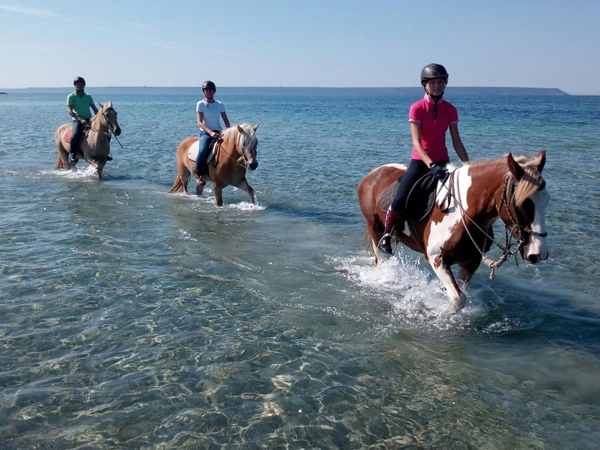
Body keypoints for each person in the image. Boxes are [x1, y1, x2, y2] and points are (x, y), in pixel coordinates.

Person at [378, 63, 470, 254]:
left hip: (444, 162)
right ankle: (387, 234)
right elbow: (416, 142)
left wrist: (469, 166)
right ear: (425, 85)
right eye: (433, 82)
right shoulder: (417, 108)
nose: (437, 85)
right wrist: (431, 165)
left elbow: (456, 142)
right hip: (421, 163)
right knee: (401, 196)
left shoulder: (450, 109)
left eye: (441, 82)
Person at [195, 80, 230, 182]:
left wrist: (227, 133)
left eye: (210, 90)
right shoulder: (200, 104)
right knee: (202, 150)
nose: (208, 92)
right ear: (203, 92)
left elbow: (227, 122)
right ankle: (199, 173)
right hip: (206, 132)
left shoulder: (219, 104)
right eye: (206, 90)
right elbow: (200, 122)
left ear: (214, 91)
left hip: (219, 131)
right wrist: (210, 132)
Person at [66, 77, 98, 162]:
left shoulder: (88, 96)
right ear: (75, 85)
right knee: (75, 134)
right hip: (77, 120)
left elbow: (95, 109)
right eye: (77, 84)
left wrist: (99, 118)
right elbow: (70, 111)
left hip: (89, 119)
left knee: (104, 133)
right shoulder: (71, 96)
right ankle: (72, 153)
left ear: (84, 85)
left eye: (81, 84)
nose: (79, 85)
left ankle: (104, 152)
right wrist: (80, 119)